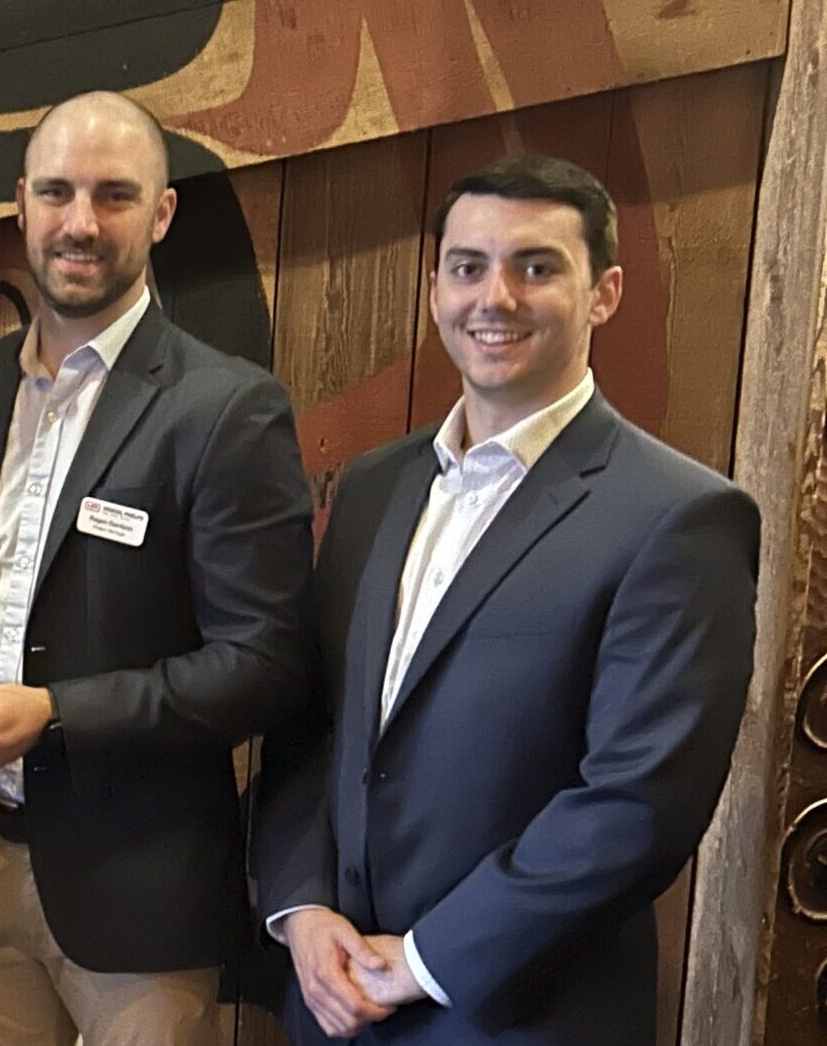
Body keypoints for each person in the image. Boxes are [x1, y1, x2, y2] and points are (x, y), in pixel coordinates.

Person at [0, 91, 314, 1046]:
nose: (81, 223)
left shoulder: (226, 409)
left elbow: (265, 664)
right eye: (56, 192)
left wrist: (56, 715)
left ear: (162, 213)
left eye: (114, 195)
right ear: (20, 204)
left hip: (139, 887)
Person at [255, 153, 759, 1044]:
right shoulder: (374, 486)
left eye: (536, 267)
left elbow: (638, 801)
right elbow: (313, 720)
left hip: (517, 1011)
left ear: (603, 292)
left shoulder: (679, 517)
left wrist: (423, 960)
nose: (496, 297)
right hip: (335, 999)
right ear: (437, 287)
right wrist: (299, 907)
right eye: (467, 266)